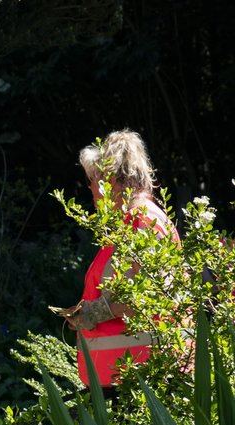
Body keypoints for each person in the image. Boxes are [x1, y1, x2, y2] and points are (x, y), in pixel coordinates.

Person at [63, 129, 180, 387]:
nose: (91, 190)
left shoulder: (143, 221)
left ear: (111, 180)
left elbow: (151, 293)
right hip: (126, 375)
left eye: (92, 180)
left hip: (139, 377)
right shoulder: (132, 223)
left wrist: (93, 313)